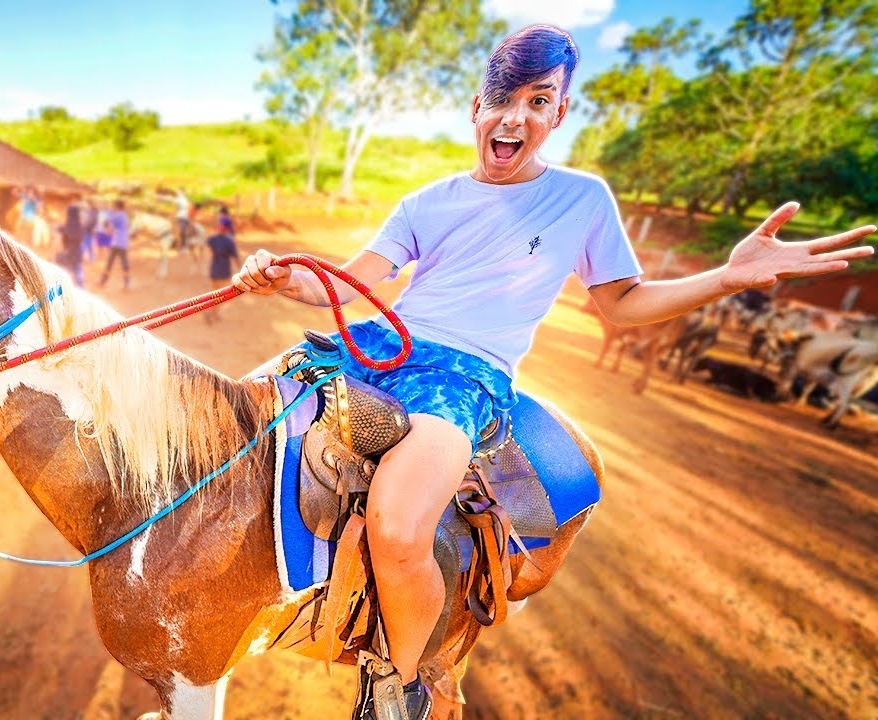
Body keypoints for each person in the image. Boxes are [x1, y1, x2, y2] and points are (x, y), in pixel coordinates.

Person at [233, 24, 875, 718]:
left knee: (395, 528)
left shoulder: (583, 199)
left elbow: (623, 304)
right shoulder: (426, 203)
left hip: (464, 380)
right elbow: (352, 282)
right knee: (235, 417)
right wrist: (280, 276)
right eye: (502, 99)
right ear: (476, 108)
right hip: (375, 346)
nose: (516, 116)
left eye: (539, 101)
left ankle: (401, 682)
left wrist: (725, 277)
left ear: (558, 115)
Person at [204, 219, 239, 325]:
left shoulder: (213, 238)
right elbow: (235, 257)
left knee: (215, 293)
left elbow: (206, 249)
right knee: (219, 296)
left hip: (214, 269)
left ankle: (213, 313)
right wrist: (240, 269)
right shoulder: (229, 241)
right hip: (223, 271)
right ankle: (211, 313)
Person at [98, 199, 131, 290]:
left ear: (117, 207)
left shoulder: (117, 216)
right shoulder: (125, 216)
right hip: (123, 243)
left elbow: (106, 223)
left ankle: (102, 281)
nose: (113, 208)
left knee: (109, 263)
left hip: (116, 243)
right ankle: (127, 283)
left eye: (114, 206)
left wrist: (106, 229)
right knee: (124, 263)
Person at [57, 202, 86, 287]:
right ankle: (82, 291)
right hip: (77, 252)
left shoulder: (65, 226)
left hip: (67, 252)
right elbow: (81, 238)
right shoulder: (80, 226)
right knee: (78, 274)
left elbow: (60, 239)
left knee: (63, 276)